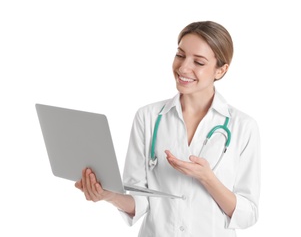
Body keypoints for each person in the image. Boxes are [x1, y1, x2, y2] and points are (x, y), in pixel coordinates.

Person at [75, 21, 261, 236]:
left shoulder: (243, 127)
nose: (183, 68)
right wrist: (107, 195)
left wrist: (207, 178)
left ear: (221, 70)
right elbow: (140, 199)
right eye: (180, 55)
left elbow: (248, 214)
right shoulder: (148, 117)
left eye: (198, 62)